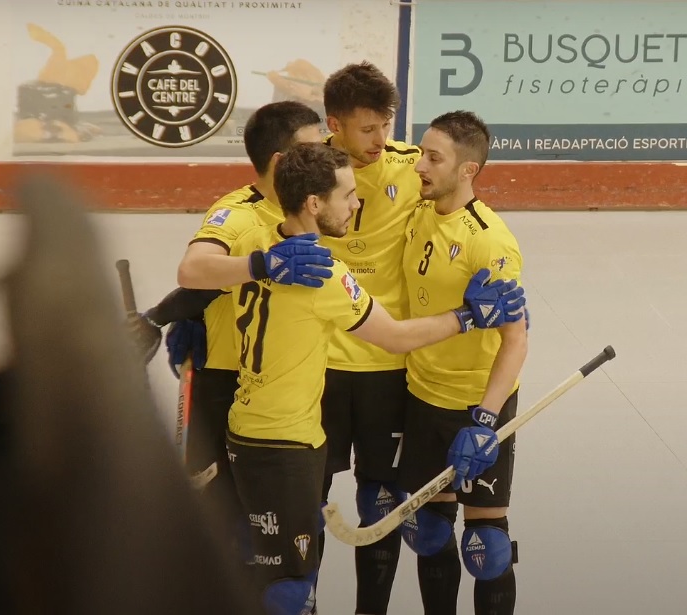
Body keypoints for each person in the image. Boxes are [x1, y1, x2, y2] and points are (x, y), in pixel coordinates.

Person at [224, 142, 526, 615]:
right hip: (288, 443)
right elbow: (397, 337)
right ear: (314, 204)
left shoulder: (255, 245)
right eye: (348, 195)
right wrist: (470, 316)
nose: (357, 203)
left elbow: (205, 273)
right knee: (288, 592)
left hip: (245, 429)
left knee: (272, 572)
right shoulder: (322, 274)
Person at [126, 101, 336, 548]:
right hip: (229, 384)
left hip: (294, 393)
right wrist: (168, 316)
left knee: (297, 532)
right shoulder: (238, 212)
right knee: (230, 529)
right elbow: (196, 273)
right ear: (280, 162)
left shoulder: (324, 205)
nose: (327, 158)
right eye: (314, 149)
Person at [397, 111, 528, 615]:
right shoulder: (419, 211)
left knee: (486, 547)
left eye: (433, 158)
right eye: (421, 154)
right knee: (430, 533)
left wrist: (486, 420)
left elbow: (515, 341)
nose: (420, 167)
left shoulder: (490, 241)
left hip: (476, 408)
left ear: (468, 170)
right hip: (421, 395)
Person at [315, 61, 423, 614]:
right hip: (319, 364)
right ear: (335, 125)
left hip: (388, 362)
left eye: (386, 125)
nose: (381, 140)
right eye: (366, 129)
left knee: (380, 497)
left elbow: (460, 197)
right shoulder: (307, 170)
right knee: (306, 495)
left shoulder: (411, 166)